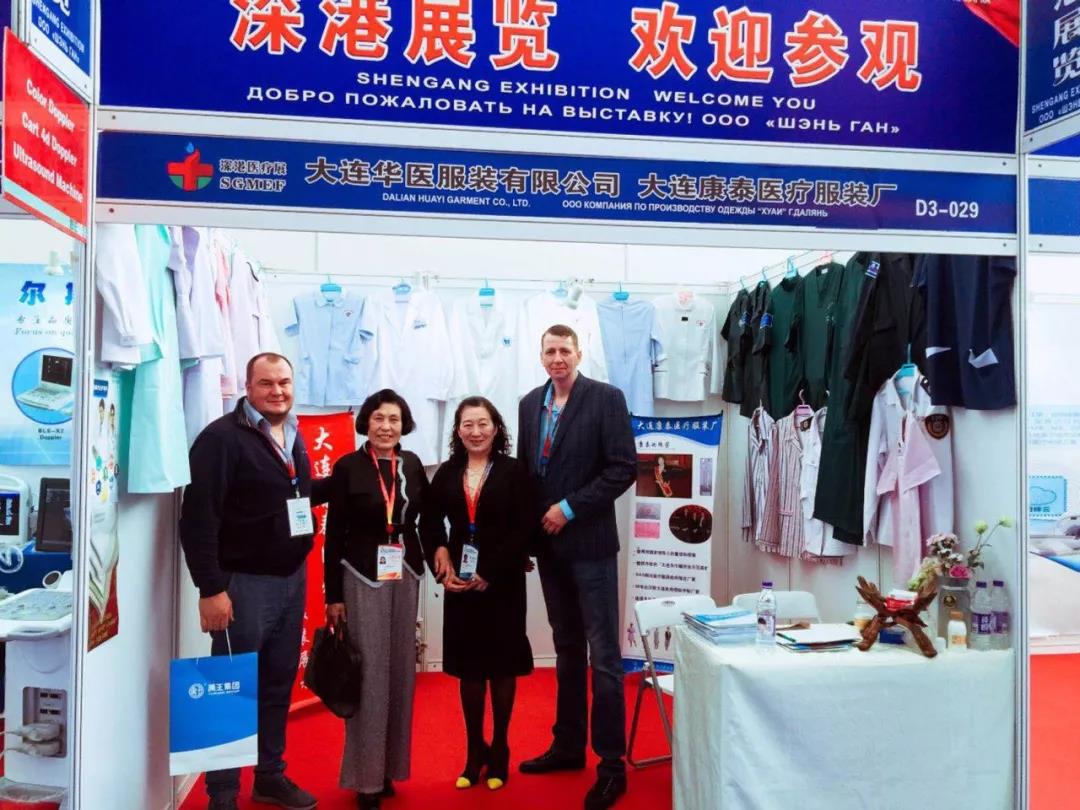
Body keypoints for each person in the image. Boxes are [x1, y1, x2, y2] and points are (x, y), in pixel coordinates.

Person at [178, 352, 317, 810]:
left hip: (290, 579)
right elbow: (197, 519)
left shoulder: (292, 432)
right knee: (229, 688)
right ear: (248, 387)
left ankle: (269, 776)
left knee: (277, 684)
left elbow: (295, 496)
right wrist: (211, 589)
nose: (277, 391)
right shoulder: (221, 439)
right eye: (266, 384)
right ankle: (222, 795)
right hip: (243, 586)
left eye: (284, 382)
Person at [517, 324, 637, 810]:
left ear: (579, 354)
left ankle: (611, 766)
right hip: (548, 549)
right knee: (566, 649)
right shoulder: (530, 403)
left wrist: (568, 508)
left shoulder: (606, 399)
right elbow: (528, 476)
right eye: (550, 351)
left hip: (590, 545)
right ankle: (568, 746)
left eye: (565, 350)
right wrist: (526, 538)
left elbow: (623, 468)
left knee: (604, 657)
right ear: (541, 356)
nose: (557, 358)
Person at [419, 397, 535, 792]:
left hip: (503, 582)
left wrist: (492, 570)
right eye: (467, 424)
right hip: (461, 581)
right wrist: (437, 550)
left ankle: (500, 746)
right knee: (469, 668)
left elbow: (524, 526)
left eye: (483, 423)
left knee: (502, 666)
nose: (476, 431)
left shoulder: (514, 471)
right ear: (457, 431)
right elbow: (429, 520)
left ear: (496, 428)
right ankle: (475, 749)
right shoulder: (448, 471)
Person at [324, 389, 429, 810]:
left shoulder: (413, 464)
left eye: (395, 419)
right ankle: (365, 779)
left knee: (401, 672)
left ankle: (388, 770)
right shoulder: (347, 467)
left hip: (406, 571)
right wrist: (334, 595)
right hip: (361, 573)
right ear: (366, 422)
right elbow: (334, 534)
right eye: (379, 418)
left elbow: (427, 519)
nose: (387, 426)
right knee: (369, 675)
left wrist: (440, 553)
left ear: (405, 425)